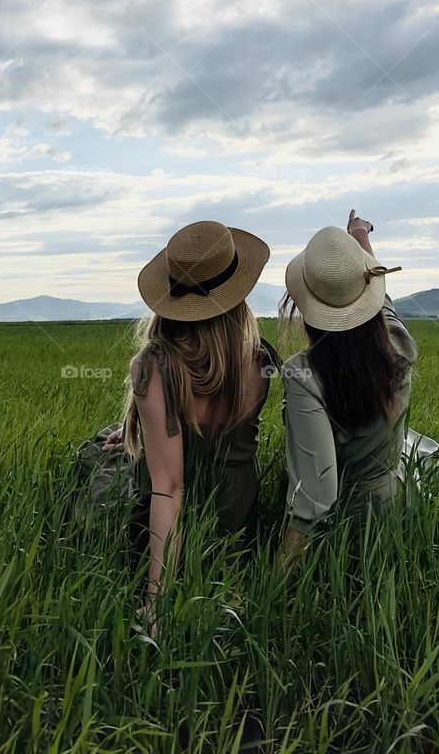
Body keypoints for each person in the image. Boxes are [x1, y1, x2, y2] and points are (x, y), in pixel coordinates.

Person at [279, 210, 439, 558]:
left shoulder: (302, 374)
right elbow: (382, 298)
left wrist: (275, 586)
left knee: (411, 442)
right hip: (399, 502)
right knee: (413, 444)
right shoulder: (400, 347)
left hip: (343, 528)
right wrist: (360, 236)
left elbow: (318, 492)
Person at [111, 219, 279, 629]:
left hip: (170, 529)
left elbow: (168, 488)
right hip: (233, 519)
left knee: (95, 460)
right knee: (119, 440)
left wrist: (156, 602)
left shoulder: (153, 367)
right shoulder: (263, 361)